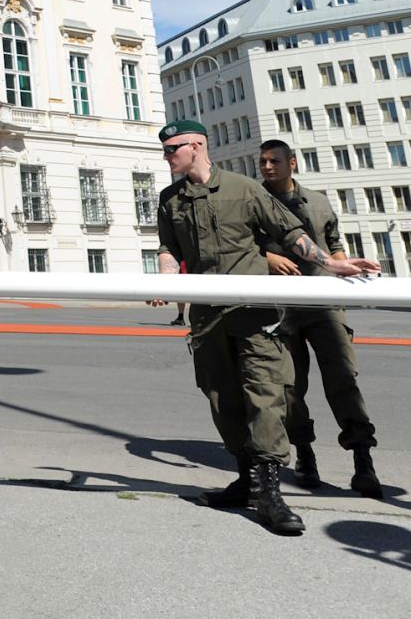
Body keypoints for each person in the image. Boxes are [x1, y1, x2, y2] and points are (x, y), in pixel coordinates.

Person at [154, 120, 379, 535]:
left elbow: (290, 232)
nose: (167, 157)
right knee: (221, 397)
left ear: (197, 146)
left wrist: (331, 263)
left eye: (172, 149)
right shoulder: (170, 200)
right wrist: (165, 279)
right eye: (166, 150)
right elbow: (168, 248)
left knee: (266, 395)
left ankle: (270, 492)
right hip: (207, 318)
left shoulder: (244, 189)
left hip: (255, 314)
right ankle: (246, 478)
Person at [257, 139, 382, 497]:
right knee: (291, 387)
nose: (267, 167)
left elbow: (333, 241)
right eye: (262, 161)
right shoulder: (255, 200)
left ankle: (363, 462)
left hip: (325, 301)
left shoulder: (318, 200)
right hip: (281, 305)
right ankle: (304, 455)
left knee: (344, 378)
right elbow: (245, 243)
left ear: (291, 163)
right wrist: (269, 258)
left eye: (274, 161)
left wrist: (348, 271)